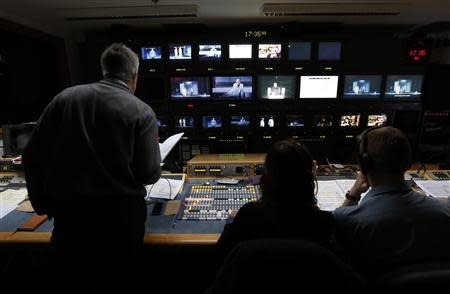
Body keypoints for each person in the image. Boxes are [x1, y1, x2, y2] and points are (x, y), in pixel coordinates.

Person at [22, 43, 161, 293]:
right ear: (134, 77)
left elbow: (31, 155)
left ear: (104, 69)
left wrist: (41, 204)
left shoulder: (64, 98)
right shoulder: (142, 111)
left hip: (72, 218)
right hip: (121, 221)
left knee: (73, 283)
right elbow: (149, 174)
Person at [334, 127, 450, 277]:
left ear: (364, 165)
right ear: (408, 163)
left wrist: (353, 195)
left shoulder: (347, 220)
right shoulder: (444, 213)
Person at [215, 139, 335, 263]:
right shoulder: (323, 221)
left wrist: (231, 220)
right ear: (309, 180)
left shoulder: (249, 215)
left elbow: (220, 255)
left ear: (267, 178)